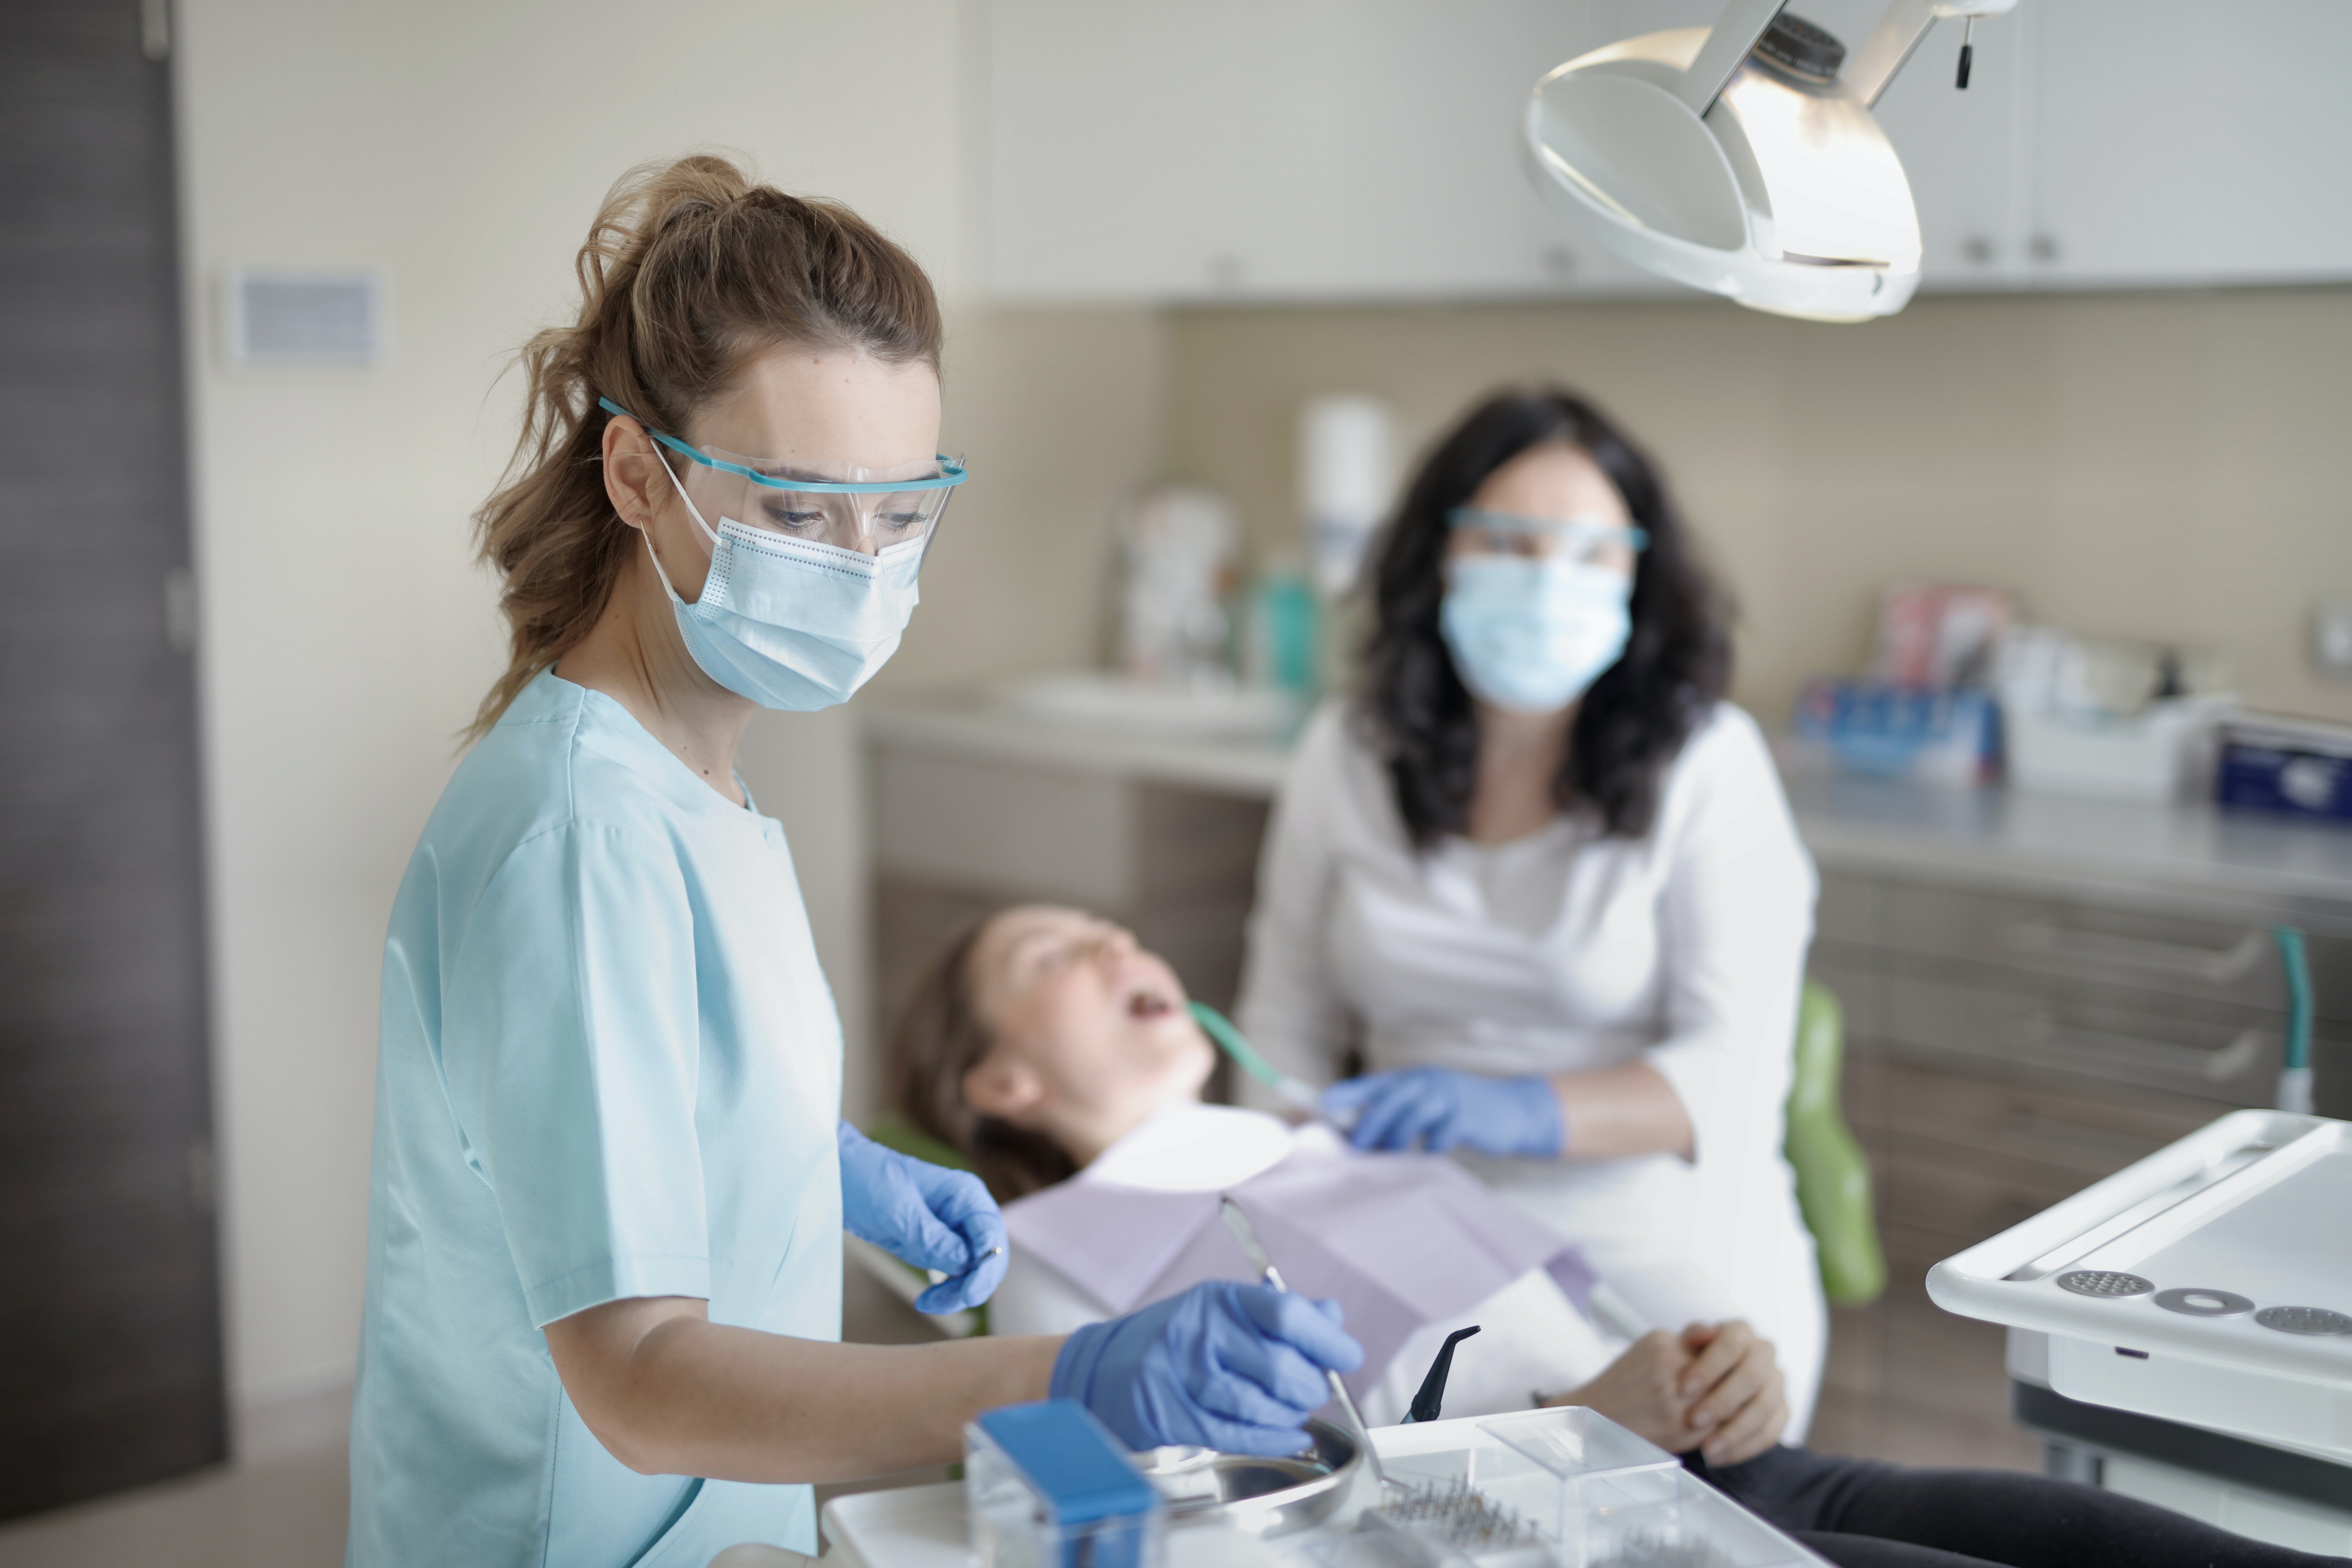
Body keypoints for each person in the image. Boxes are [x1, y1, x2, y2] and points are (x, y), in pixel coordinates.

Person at [345, 156, 1360, 1568]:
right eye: (799, 511)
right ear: (639, 474)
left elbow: (612, 1095)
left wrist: (813, 1162)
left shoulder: (690, 772)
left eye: (900, 511)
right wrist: (1062, 1376)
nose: (861, 565)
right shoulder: (585, 831)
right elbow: (638, 1374)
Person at [889, 903, 2345, 1568]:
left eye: (1113, 931)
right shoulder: (1057, 1255)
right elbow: (1221, 1536)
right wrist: (1577, 1425)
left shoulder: (1319, 1143)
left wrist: (1723, 1370)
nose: (1113, 947)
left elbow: (1573, 1340)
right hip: (1562, 1539)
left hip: (1745, 1461)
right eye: (1046, 957)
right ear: (997, 1086)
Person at [1233, 386, 1830, 1434]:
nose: (1547, 578)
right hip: (1410, 1224)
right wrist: (1298, 1177)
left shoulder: (1710, 763)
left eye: (1588, 550)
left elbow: (1733, 1077)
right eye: (1509, 542)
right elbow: (1282, 1022)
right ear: (1440, 557)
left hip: (1656, 1230)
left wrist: (1516, 1112)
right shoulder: (1348, 752)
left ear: (1641, 575)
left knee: (1685, 1487)